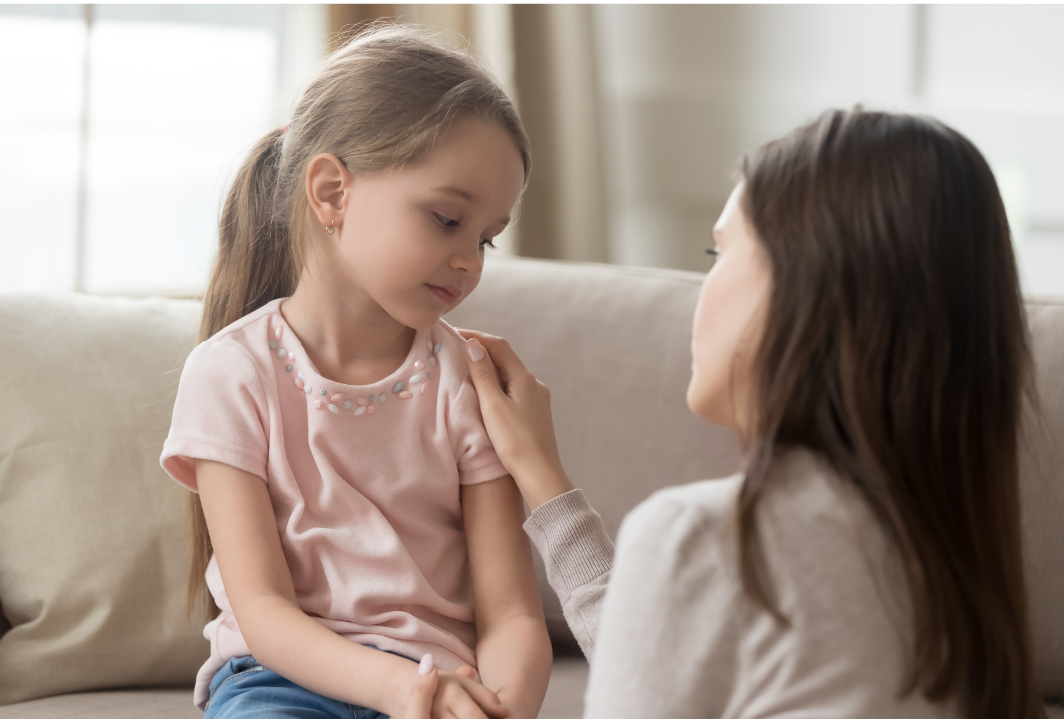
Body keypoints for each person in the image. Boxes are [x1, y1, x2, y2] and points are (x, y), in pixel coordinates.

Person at [425, 109, 1047, 718]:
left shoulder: (706, 539)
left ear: (805, 292)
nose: (704, 288)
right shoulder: (961, 567)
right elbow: (665, 656)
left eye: (719, 253)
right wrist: (542, 477)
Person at [159, 25, 551, 719]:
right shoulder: (230, 374)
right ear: (333, 191)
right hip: (276, 680)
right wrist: (400, 690)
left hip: (442, 682)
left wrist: (504, 707)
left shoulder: (468, 378)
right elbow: (265, 609)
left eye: (486, 237)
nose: (471, 261)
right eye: (447, 218)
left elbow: (512, 611)